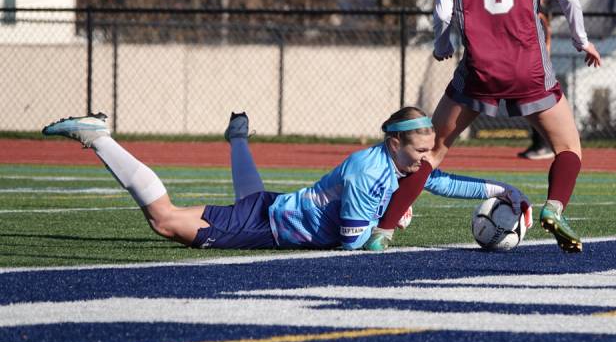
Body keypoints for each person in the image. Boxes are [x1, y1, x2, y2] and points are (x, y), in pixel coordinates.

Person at [374, 0, 601, 253]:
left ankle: (384, 230)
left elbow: (443, 11)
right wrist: (582, 41)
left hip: (479, 69)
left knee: (433, 151)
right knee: (568, 149)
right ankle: (555, 208)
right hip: (528, 68)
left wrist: (443, 43)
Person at [41, 107, 531, 251]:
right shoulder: (367, 170)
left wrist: (499, 189)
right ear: (395, 143)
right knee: (164, 221)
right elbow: (352, 244)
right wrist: (390, 226)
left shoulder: (405, 165)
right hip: (268, 228)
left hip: (275, 210)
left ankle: (237, 140)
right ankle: (98, 138)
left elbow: (442, 182)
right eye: (420, 150)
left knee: (247, 196)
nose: (427, 160)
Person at [518, 0, 555, 160]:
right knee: (528, 109)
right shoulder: (532, 16)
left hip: (537, 70)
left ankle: (544, 145)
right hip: (529, 69)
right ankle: (536, 144)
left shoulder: (538, 17)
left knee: (537, 109)